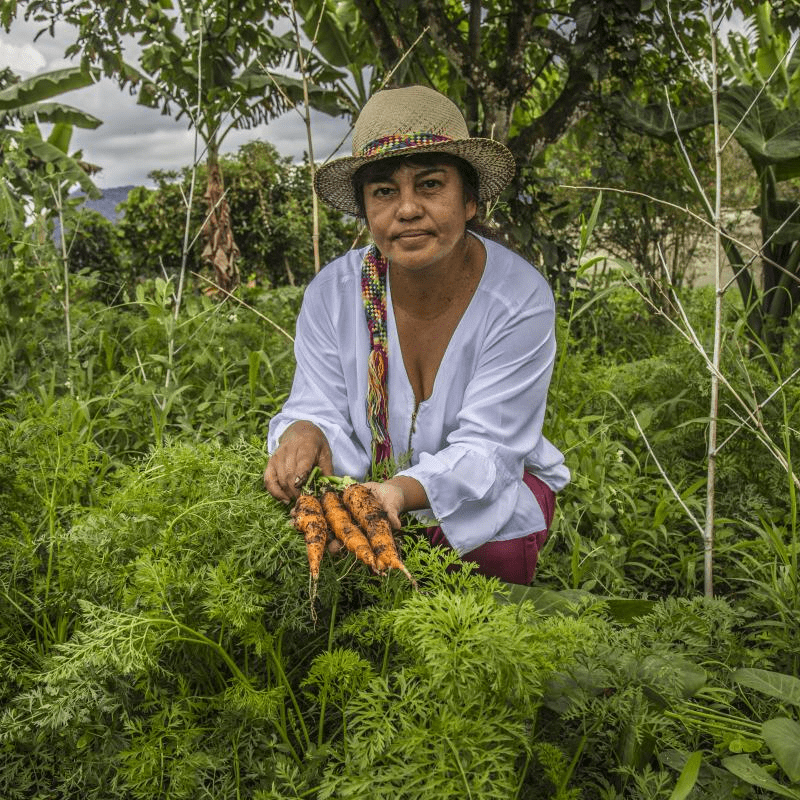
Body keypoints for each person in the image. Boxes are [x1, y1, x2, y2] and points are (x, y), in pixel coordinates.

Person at [264, 84, 570, 585]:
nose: (406, 209)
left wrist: (398, 493)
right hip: (373, 492)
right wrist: (305, 430)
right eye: (384, 192)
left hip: (483, 484)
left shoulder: (518, 299)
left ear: (469, 200)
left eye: (429, 185)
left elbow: (489, 448)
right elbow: (316, 401)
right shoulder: (333, 294)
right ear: (366, 212)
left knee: (492, 550)